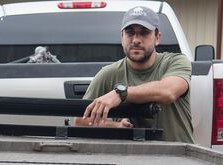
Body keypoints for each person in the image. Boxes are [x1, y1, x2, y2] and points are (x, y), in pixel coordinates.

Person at [76, 6, 194, 143]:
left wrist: (120, 94)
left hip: (178, 159)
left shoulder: (176, 62)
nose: (136, 40)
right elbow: (80, 120)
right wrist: (115, 126)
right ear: (122, 38)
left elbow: (168, 92)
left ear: (157, 38)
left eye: (144, 33)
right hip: (128, 161)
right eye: (130, 33)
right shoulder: (108, 74)